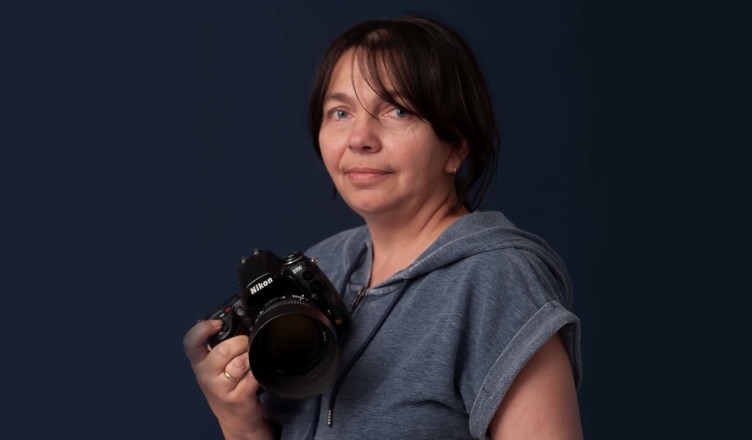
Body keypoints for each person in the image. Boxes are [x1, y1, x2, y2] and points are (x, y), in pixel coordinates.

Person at [184, 16, 583, 440]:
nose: (359, 138)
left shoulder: (496, 281)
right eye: (340, 112)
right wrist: (241, 423)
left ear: (457, 144)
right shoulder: (323, 267)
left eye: (397, 110)